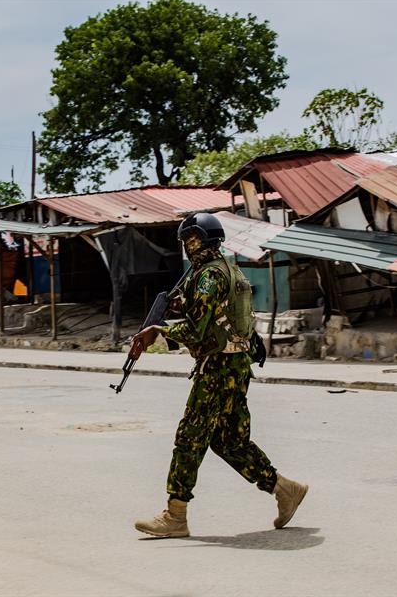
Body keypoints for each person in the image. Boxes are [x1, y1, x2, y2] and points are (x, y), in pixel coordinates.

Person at [131, 212, 308, 538]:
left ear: (197, 240)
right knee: (228, 441)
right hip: (236, 367)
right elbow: (212, 316)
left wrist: (158, 332)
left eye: (188, 240)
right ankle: (285, 489)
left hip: (217, 369)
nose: (187, 246)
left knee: (190, 438)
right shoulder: (229, 269)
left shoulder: (209, 276)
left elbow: (199, 331)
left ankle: (175, 516)